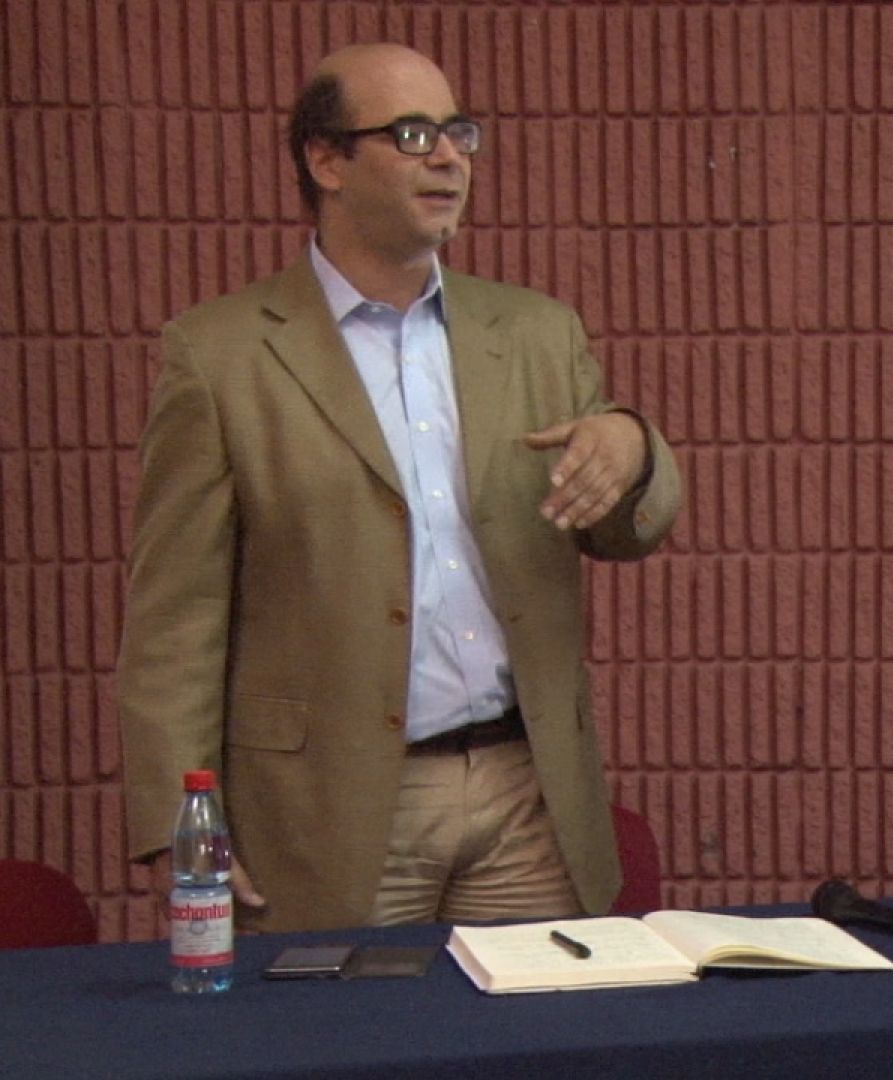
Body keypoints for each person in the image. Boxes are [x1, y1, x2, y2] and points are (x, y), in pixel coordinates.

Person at [118, 44, 682, 932]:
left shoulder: (536, 333)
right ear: (327, 160)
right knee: (347, 1022)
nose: (450, 158)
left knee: (546, 1022)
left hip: (524, 791)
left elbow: (624, 531)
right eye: (414, 135)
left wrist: (634, 445)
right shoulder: (222, 355)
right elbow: (175, 616)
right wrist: (175, 823)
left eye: (460, 133)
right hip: (328, 811)